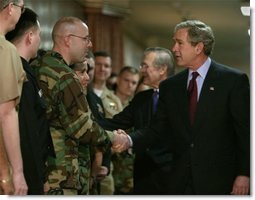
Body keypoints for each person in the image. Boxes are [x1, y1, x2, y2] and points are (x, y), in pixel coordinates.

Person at [113, 20, 250, 195]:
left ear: (198, 47)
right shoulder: (171, 86)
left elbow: (245, 133)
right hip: (178, 181)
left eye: (179, 43)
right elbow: (156, 129)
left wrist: (244, 174)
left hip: (219, 182)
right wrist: (129, 140)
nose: (174, 48)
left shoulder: (232, 81)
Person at [30, 16, 110, 195]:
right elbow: (83, 128)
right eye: (86, 39)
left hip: (40, 171)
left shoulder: (36, 66)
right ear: (68, 39)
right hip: (61, 176)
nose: (89, 44)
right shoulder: (65, 76)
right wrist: (114, 139)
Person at [99, 47, 175, 194]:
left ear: (162, 69)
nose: (141, 70)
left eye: (146, 66)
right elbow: (116, 122)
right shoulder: (142, 98)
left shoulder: (180, 98)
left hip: (171, 175)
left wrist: (127, 139)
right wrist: (86, 122)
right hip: (142, 175)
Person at [5, 7, 55, 194]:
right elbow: (28, 131)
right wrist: (37, 178)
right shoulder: (21, 74)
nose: (40, 40)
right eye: (39, 35)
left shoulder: (23, 70)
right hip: (25, 172)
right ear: (30, 36)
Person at [0, 0, 28, 195]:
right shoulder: (5, 50)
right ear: (10, 7)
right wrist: (15, 172)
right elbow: (6, 113)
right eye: (22, 7)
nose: (21, 12)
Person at [91, 51, 122, 195]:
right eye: (98, 64)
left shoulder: (114, 99)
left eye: (106, 66)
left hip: (106, 162)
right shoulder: (83, 91)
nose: (102, 69)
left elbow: (120, 128)